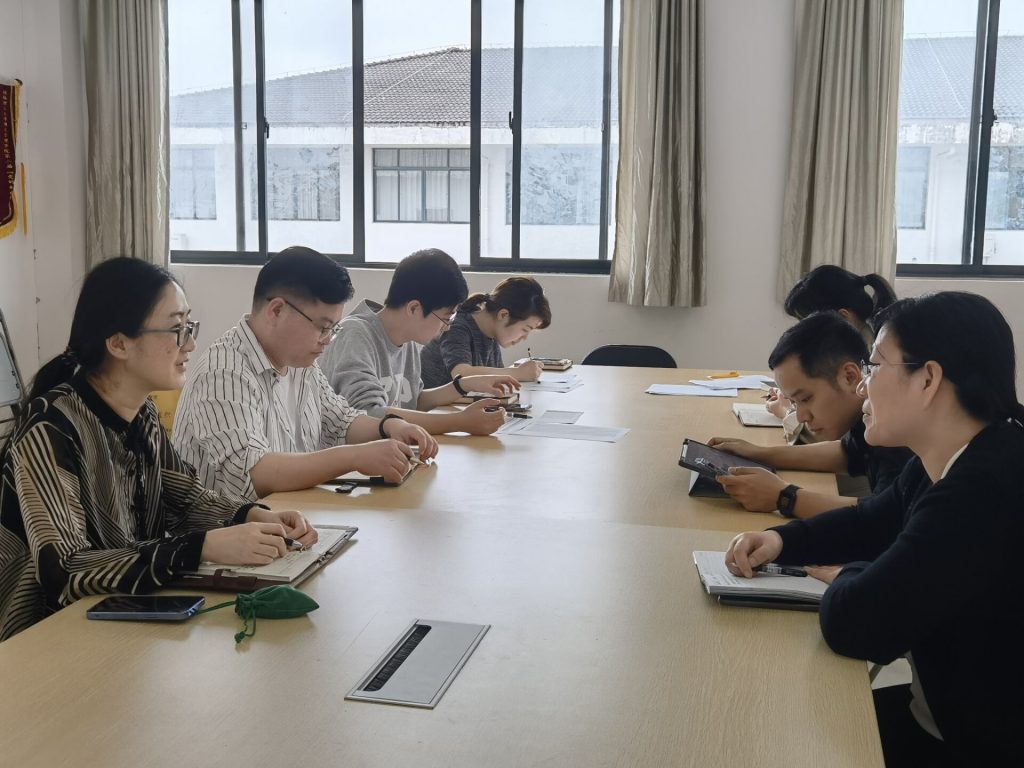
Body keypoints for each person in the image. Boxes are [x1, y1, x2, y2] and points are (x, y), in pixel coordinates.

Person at [725, 292, 1024, 766]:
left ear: (927, 379)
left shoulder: (983, 490)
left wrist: (849, 573)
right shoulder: (957, 455)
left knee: (775, 737)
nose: (864, 385)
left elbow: (857, 624)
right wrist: (781, 541)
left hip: (972, 743)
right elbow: (872, 519)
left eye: (875, 366)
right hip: (945, 711)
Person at [0, 258, 316, 642]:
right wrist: (200, 547)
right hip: (42, 638)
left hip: (119, 617)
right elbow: (66, 569)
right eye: (176, 329)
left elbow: (184, 499)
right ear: (119, 343)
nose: (190, 344)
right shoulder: (49, 427)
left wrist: (252, 515)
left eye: (189, 326)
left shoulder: (141, 411)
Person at [172, 246, 437, 500]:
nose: (327, 340)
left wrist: (389, 426)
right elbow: (251, 474)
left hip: (288, 515)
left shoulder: (300, 363)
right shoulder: (224, 371)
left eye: (333, 329)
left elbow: (339, 422)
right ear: (276, 310)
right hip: (233, 527)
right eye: (322, 328)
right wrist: (354, 457)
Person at [709, 312, 911, 518]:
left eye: (805, 399)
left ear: (849, 377)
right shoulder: (868, 418)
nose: (801, 417)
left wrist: (784, 497)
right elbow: (846, 452)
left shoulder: (894, 435)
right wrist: (758, 454)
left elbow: (885, 516)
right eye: (793, 402)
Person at [319, 248, 519, 436]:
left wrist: (464, 385)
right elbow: (370, 415)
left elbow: (414, 400)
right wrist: (458, 422)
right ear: (414, 308)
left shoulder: (407, 340)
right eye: (445, 318)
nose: (446, 327)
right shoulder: (355, 335)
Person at [768, 265, 898, 431]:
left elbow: (840, 431)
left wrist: (785, 411)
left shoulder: (875, 363)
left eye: (811, 322)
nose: (804, 333)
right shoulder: (871, 342)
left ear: (843, 317)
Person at [420, 276, 552, 389]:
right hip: (433, 408)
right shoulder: (457, 326)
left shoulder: (492, 335)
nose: (524, 338)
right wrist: (518, 373)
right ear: (503, 315)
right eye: (525, 329)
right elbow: (461, 374)